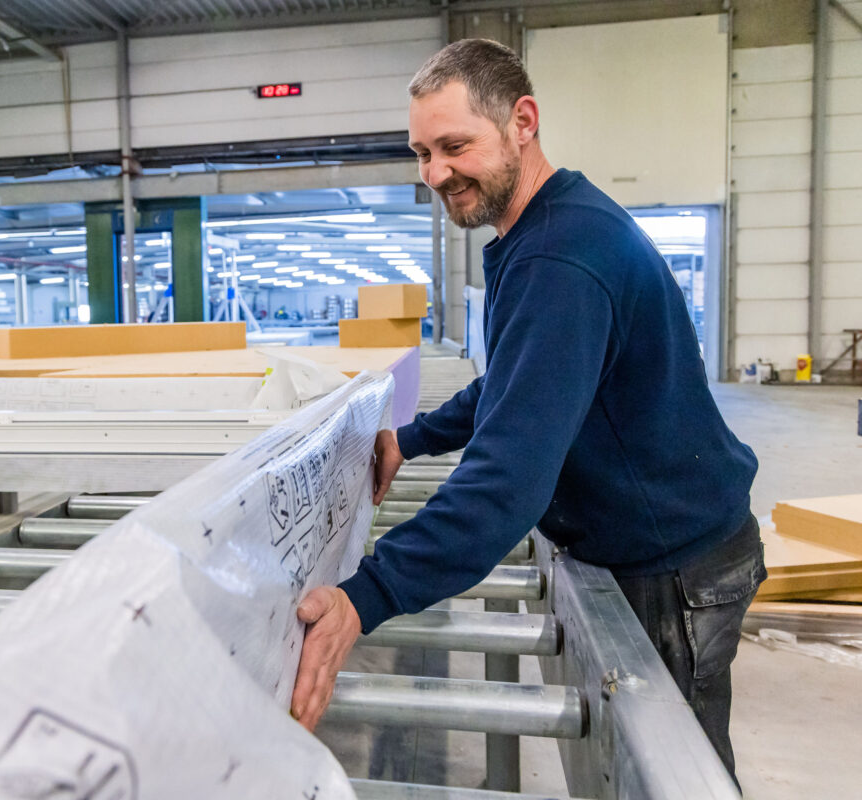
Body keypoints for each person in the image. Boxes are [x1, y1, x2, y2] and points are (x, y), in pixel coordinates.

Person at [289, 38, 765, 785]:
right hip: (658, 537)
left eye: (454, 145)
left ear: (522, 121)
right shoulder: (540, 229)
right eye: (420, 152)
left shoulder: (558, 258)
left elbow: (508, 482)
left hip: (674, 563)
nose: (435, 173)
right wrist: (408, 440)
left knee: (681, 777)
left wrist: (365, 596)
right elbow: (512, 385)